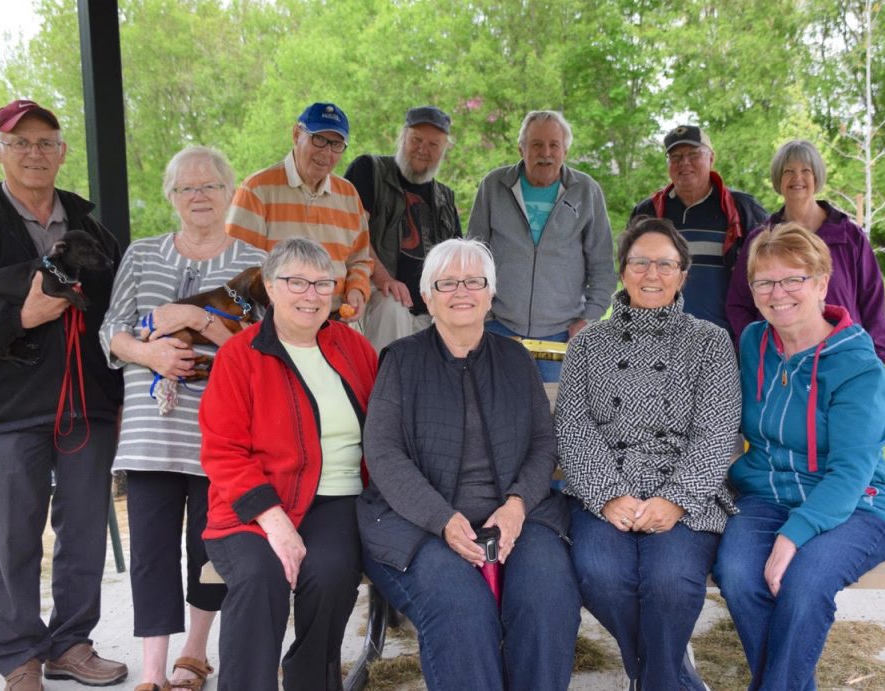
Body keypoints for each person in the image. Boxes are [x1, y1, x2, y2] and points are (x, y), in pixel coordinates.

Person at [0, 99, 125, 690]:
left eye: (46, 141)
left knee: (84, 532)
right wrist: (19, 315)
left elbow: (119, 312)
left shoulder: (91, 228)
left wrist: (120, 396)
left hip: (86, 404)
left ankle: (71, 643)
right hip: (7, 407)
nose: (34, 153)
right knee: (15, 537)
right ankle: (19, 654)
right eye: (20, 142)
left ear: (63, 151)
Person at [357, 238, 581, 691]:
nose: (462, 291)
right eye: (448, 282)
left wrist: (517, 506)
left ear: (490, 293)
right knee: (460, 606)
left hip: (519, 516)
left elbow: (543, 443)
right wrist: (442, 519)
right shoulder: (401, 361)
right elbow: (383, 453)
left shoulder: (516, 359)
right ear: (427, 296)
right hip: (417, 522)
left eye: (474, 281)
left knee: (547, 594)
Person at [100, 145, 267, 691]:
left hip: (219, 431)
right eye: (186, 188)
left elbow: (260, 351)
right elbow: (113, 330)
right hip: (151, 434)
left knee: (210, 546)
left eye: (210, 186)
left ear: (228, 193)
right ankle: (152, 671)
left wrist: (195, 318)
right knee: (149, 552)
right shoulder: (142, 254)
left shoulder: (252, 263)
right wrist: (150, 353)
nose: (198, 195)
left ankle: (193, 654)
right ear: (171, 197)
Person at [556, 216, 741, 689]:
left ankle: (654, 679)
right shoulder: (588, 344)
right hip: (606, 493)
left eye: (664, 264)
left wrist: (675, 499)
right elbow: (574, 428)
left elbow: (718, 433)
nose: (651, 275)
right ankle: (671, 676)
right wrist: (608, 495)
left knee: (669, 584)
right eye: (640, 262)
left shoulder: (710, 342)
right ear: (622, 271)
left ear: (683, 274)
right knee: (600, 575)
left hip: (683, 496)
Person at [712, 223, 885, 690]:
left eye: (793, 279)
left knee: (803, 586)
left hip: (853, 507)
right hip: (766, 496)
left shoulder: (857, 364)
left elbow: (852, 471)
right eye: (765, 282)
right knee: (736, 573)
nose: (779, 293)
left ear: (820, 283)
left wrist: (792, 536)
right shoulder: (755, 342)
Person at [199, 237, 377, 690]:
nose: (311, 295)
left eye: (322, 284)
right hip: (252, 506)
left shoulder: (355, 349)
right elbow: (223, 449)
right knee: (261, 576)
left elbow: (386, 427)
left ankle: (309, 680)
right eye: (296, 282)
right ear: (271, 289)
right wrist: (275, 523)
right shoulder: (240, 356)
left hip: (337, 499)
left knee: (332, 572)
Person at [467, 110, 616, 382]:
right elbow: (473, 259)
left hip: (563, 336)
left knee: (554, 416)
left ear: (565, 151)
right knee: (496, 414)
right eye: (536, 144)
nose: (545, 153)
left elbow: (603, 266)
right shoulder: (493, 186)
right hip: (500, 328)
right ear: (521, 149)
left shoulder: (586, 190)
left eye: (554, 145)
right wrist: (483, 316)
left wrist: (589, 320)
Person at [726, 139, 885, 361]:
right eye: (788, 171)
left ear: (817, 177)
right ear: (778, 178)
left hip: (844, 357)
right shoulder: (761, 241)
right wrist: (758, 350)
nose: (797, 178)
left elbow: (873, 300)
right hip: (781, 363)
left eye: (806, 170)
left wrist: (876, 357)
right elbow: (739, 303)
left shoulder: (849, 237)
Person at [225, 102, 371, 324]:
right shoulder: (256, 189)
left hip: (337, 321)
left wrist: (357, 290)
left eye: (336, 144)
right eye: (319, 139)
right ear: (296, 134)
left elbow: (359, 261)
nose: (327, 152)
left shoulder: (349, 195)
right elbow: (237, 268)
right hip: (276, 322)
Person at [631, 124, 768, 336]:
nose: (684, 163)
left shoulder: (742, 209)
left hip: (726, 342)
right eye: (675, 157)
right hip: (662, 343)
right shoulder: (648, 212)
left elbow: (771, 270)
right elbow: (632, 276)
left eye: (693, 154)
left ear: (711, 158)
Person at [344, 105, 461, 351]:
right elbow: (352, 231)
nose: (423, 149)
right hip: (377, 297)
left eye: (434, 144)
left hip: (429, 307)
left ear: (444, 149)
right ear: (402, 136)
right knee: (392, 305)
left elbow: (456, 258)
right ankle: (383, 388)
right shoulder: (369, 170)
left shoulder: (445, 197)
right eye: (416, 139)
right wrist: (383, 277)